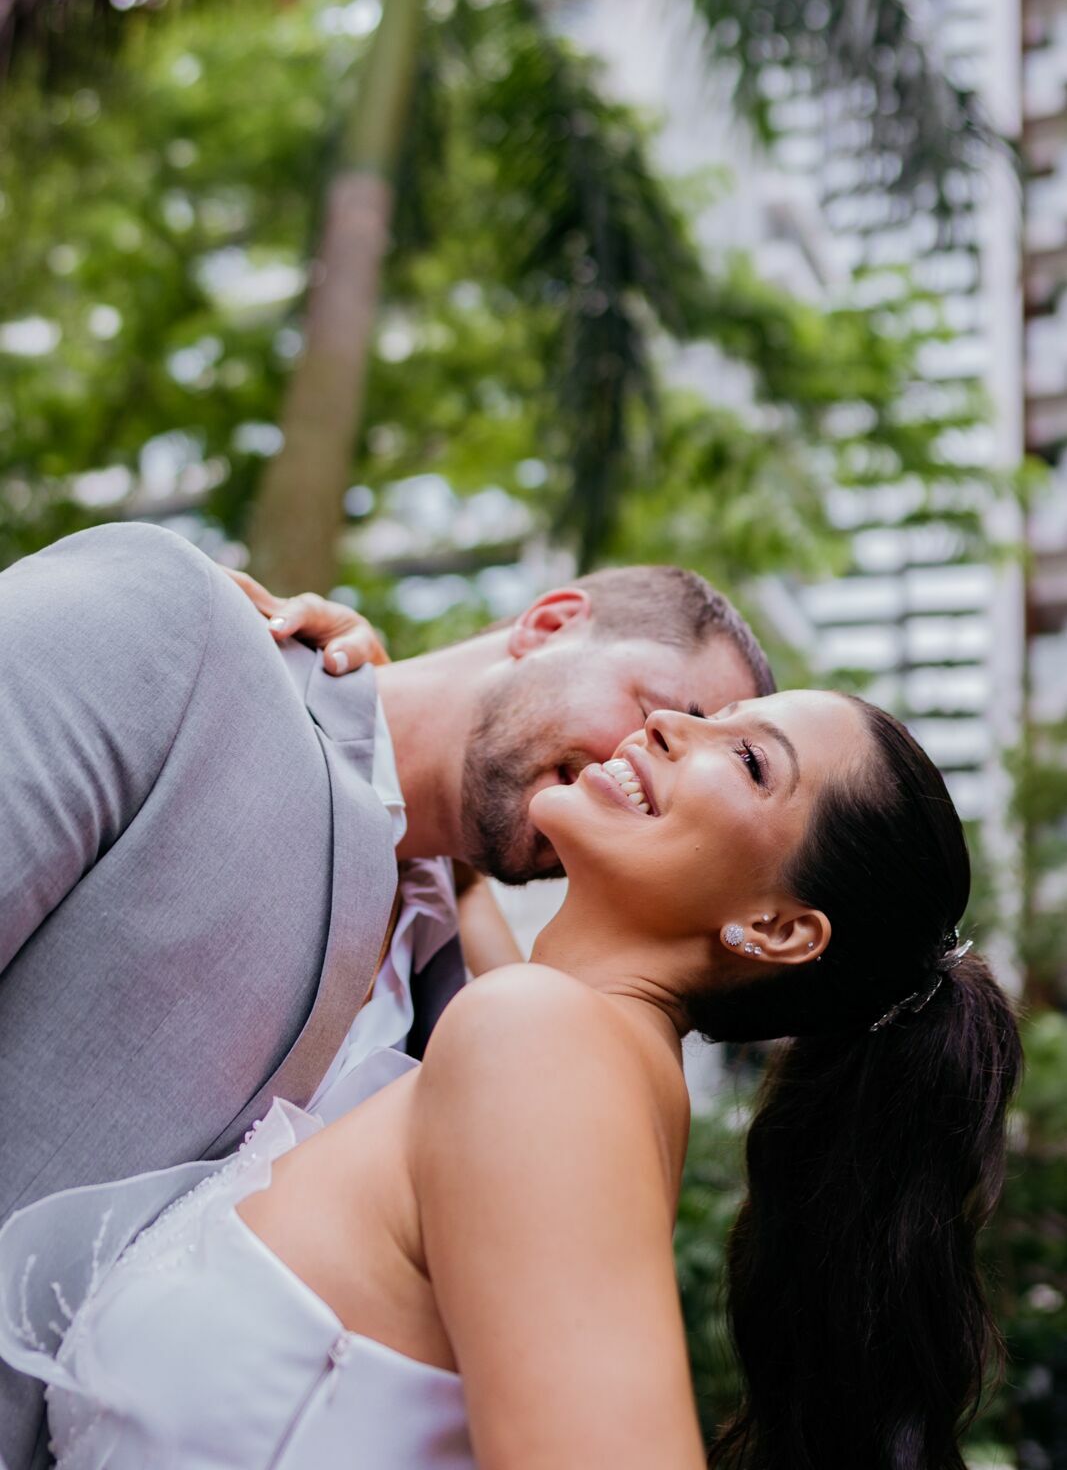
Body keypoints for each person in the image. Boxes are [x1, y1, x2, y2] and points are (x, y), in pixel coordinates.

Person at [0, 691, 1022, 1469]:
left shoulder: (542, 1048)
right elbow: (457, 862)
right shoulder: (561, 1052)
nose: (669, 722)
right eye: (706, 712)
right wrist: (339, 685)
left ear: (774, 928)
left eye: (749, 761)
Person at [0, 521, 770, 1465]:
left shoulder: (479, 1039)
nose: (648, 761)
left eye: (718, 761)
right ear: (553, 621)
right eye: (660, 711)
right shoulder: (177, 635)